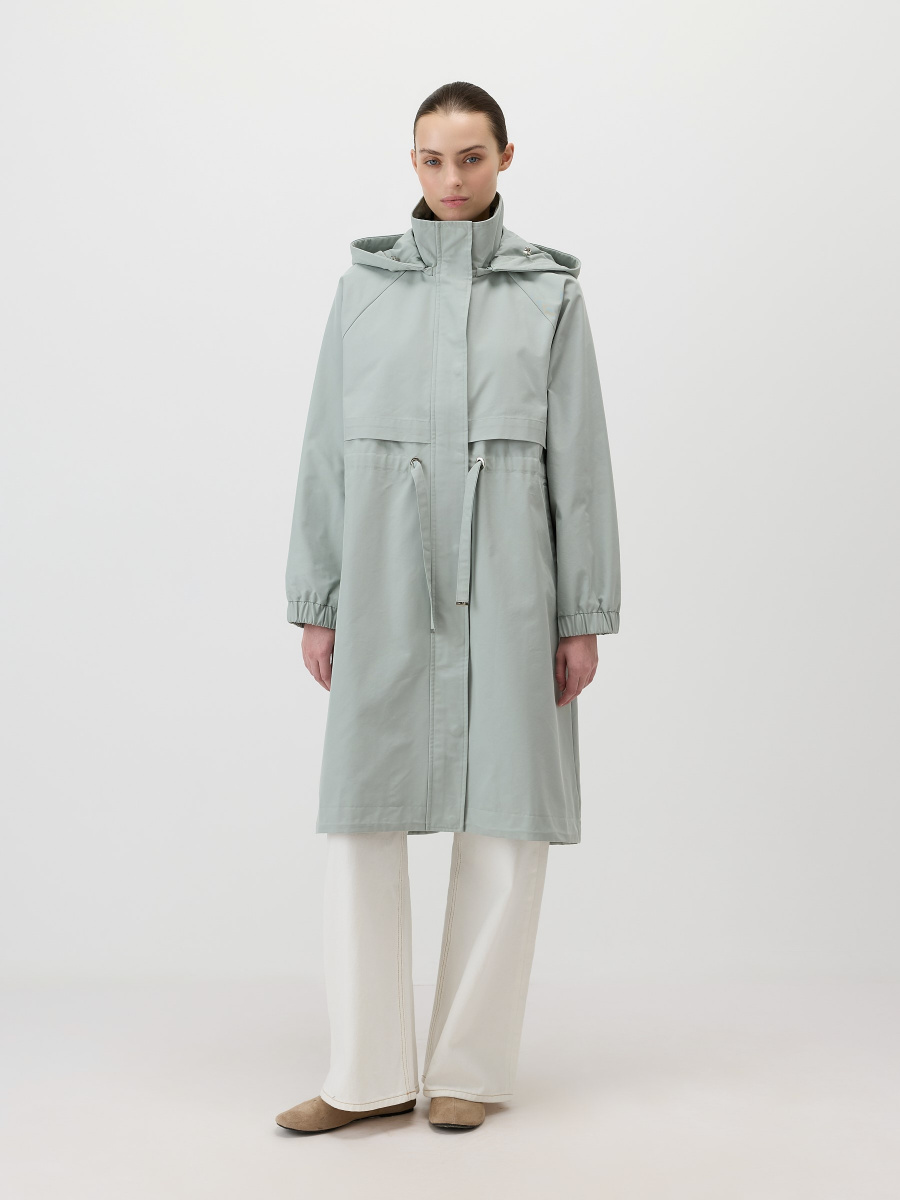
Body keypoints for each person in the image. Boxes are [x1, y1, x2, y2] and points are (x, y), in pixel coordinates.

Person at [275, 81, 621, 1135]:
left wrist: (580, 614)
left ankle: (468, 1064)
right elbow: (327, 451)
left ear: (506, 157)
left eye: (470, 157)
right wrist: (320, 599)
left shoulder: (550, 295)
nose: (451, 178)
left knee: (508, 819)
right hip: (385, 576)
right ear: (413, 162)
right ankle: (366, 1072)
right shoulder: (363, 289)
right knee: (360, 818)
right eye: (432, 158)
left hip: (513, 580)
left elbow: (580, 465)